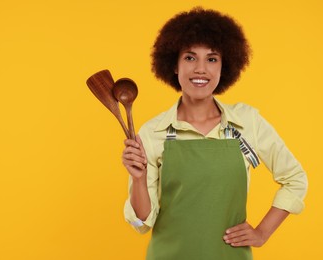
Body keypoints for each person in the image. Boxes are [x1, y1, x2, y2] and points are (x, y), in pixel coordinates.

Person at [122, 7, 308, 260]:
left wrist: (263, 232)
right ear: (174, 66)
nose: (200, 69)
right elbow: (142, 222)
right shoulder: (153, 132)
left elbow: (295, 179)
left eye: (211, 59)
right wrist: (140, 179)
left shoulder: (247, 123)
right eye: (189, 58)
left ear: (224, 66)